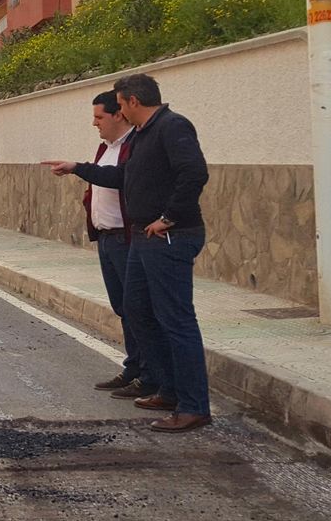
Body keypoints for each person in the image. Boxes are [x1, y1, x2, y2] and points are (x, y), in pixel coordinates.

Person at [43, 73, 211, 433]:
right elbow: (121, 178)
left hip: (170, 238)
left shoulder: (172, 126)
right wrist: (77, 168)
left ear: (133, 101)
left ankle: (194, 406)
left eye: (120, 105)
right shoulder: (142, 136)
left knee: (176, 321)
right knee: (136, 309)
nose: (118, 112)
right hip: (143, 238)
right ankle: (166, 388)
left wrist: (168, 218)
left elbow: (194, 173)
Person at [79, 92, 160, 401]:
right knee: (123, 308)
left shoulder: (132, 147)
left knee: (139, 309)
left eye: (100, 117)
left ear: (119, 115)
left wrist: (78, 167)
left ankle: (151, 376)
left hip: (127, 239)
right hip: (107, 239)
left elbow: (119, 180)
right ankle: (134, 367)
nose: (94, 123)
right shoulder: (106, 147)